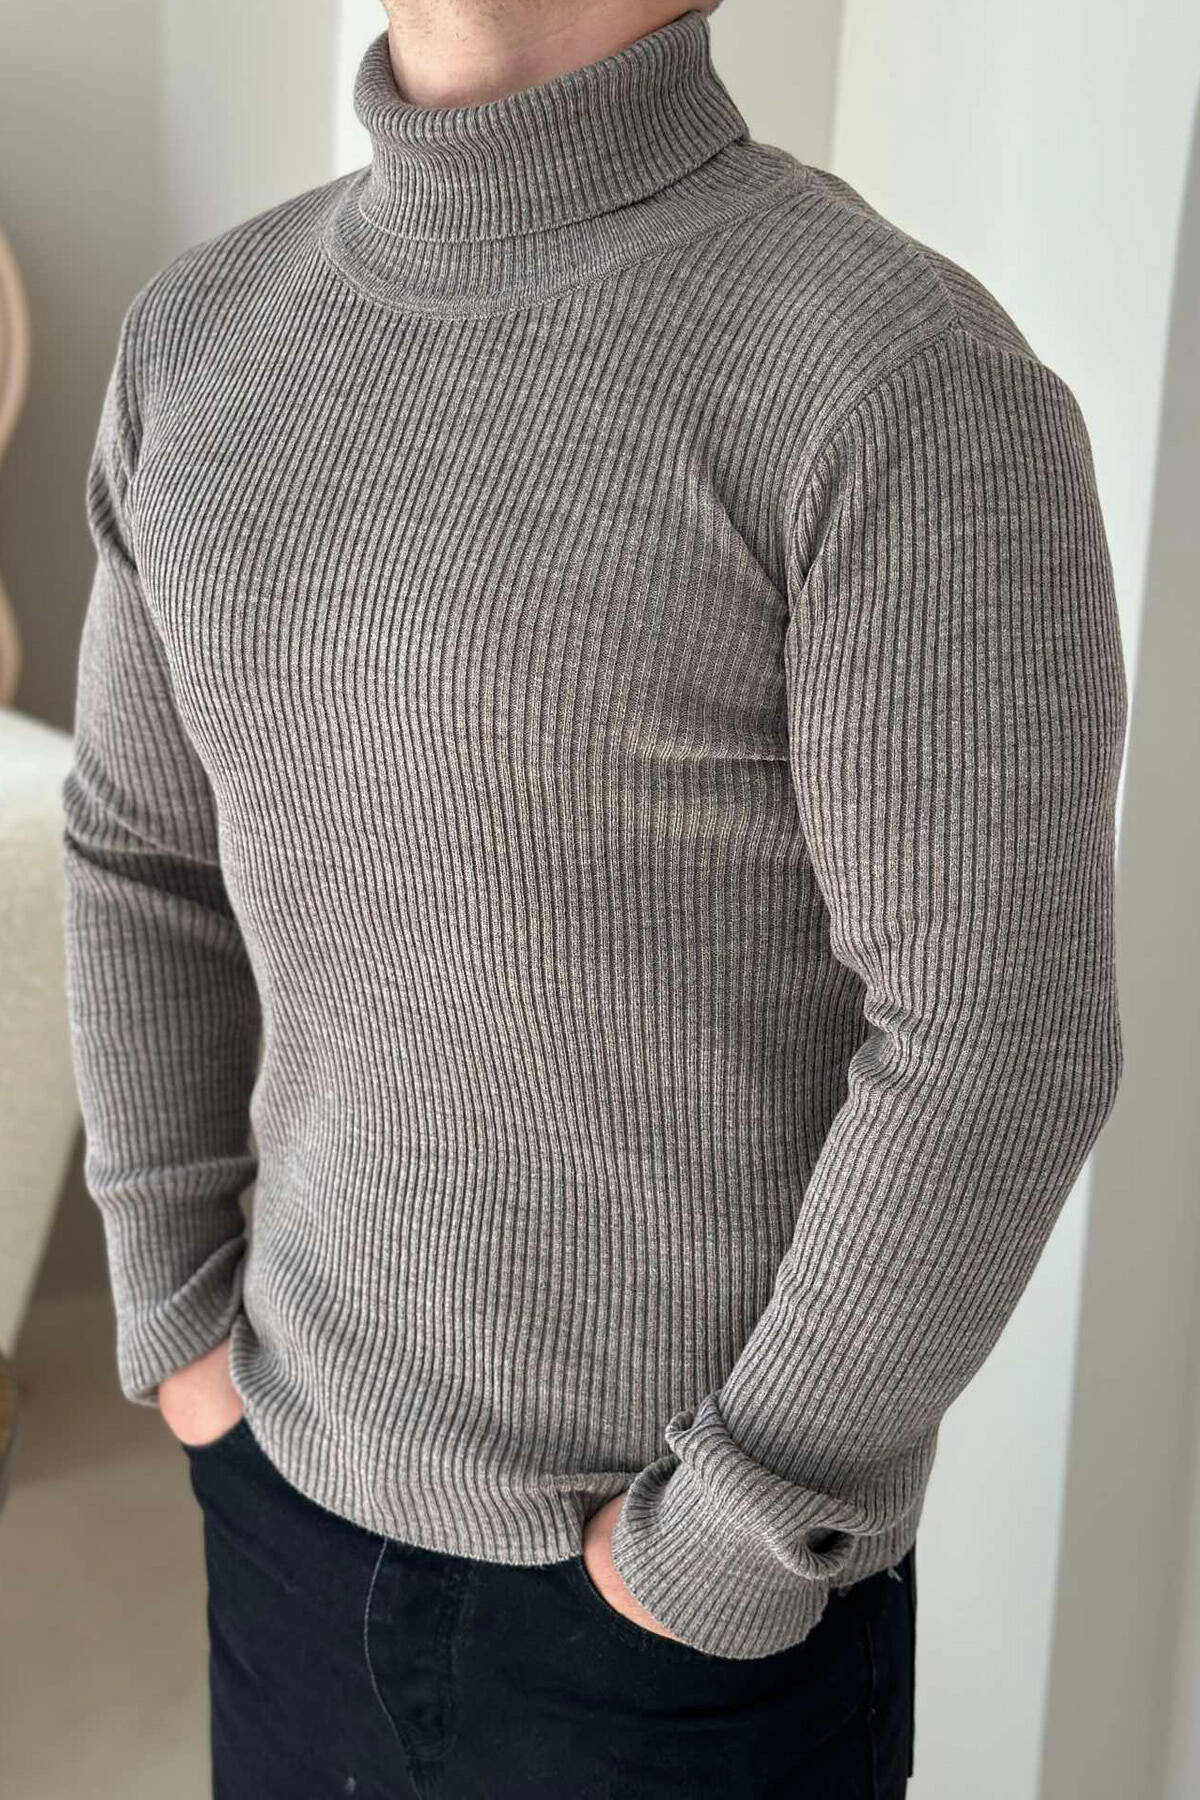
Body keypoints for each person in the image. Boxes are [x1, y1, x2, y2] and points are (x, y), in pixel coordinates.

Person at [59, 2, 1127, 1795]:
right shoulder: (203, 338)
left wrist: (726, 1533)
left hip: (667, 1621)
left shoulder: (897, 373)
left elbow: (998, 1035)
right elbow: (141, 856)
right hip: (283, 1496)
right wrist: (177, 1318)